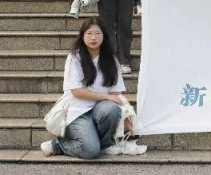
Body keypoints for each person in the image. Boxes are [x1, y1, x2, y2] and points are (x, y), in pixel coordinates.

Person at [40, 17, 147, 158]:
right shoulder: (74, 58)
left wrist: (127, 116)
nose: (93, 37)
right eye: (89, 33)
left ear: (104, 36)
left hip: (100, 110)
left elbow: (117, 94)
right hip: (78, 113)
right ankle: (58, 145)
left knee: (111, 109)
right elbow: (77, 92)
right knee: (90, 151)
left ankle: (105, 144)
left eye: (97, 33)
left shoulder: (111, 60)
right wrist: (107, 97)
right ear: (82, 36)